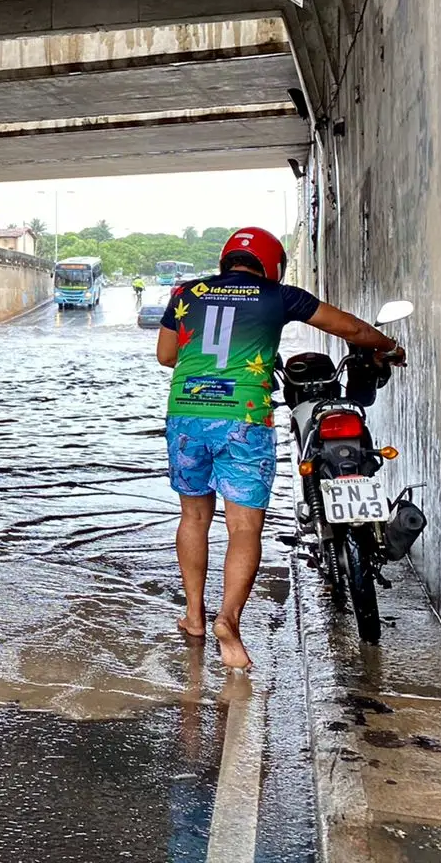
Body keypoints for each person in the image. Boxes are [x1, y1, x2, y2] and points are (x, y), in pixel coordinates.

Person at [155, 227, 405, 670]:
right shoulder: (280, 295)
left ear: (225, 260)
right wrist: (388, 346)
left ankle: (194, 616)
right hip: (244, 417)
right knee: (243, 528)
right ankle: (228, 621)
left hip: (187, 414)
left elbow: (166, 355)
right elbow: (349, 328)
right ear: (273, 265)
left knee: (193, 517)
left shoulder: (186, 293)